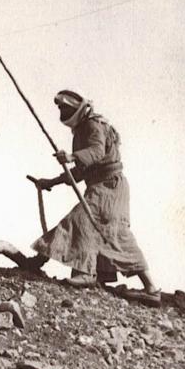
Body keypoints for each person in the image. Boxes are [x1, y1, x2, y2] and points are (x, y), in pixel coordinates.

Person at [29, 90, 161, 307]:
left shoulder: (93, 125)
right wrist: (50, 182)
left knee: (81, 221)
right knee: (114, 234)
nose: (62, 112)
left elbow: (97, 152)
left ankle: (82, 272)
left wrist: (71, 156)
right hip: (102, 186)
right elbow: (81, 172)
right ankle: (150, 288)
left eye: (65, 109)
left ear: (76, 110)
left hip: (109, 186)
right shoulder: (81, 130)